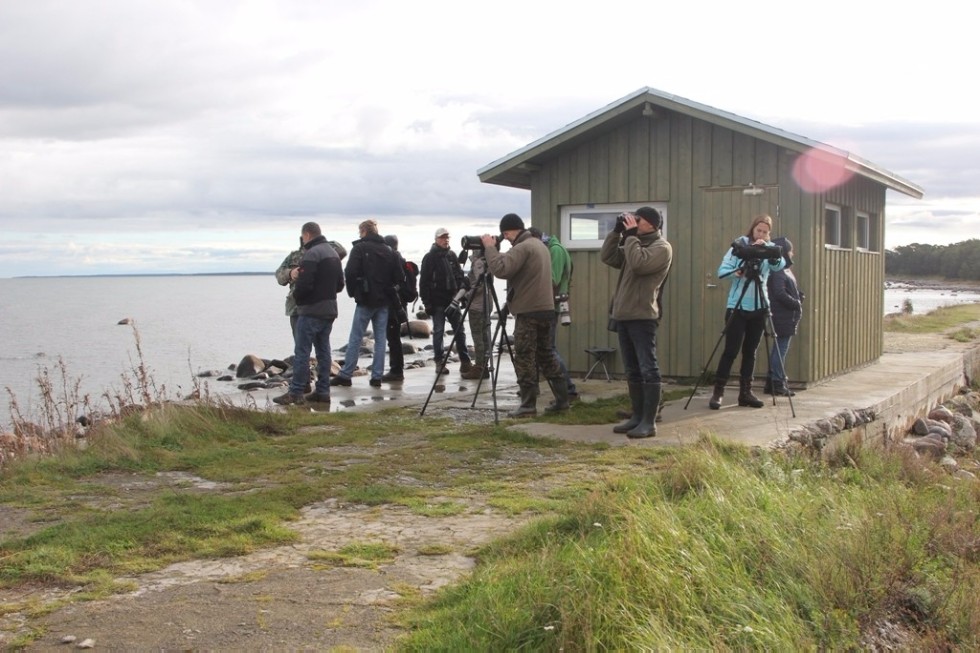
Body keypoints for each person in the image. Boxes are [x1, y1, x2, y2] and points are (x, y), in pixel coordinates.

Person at [482, 214, 569, 417]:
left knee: (524, 356)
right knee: (546, 354)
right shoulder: (539, 245)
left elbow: (501, 269)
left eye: (505, 234)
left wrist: (489, 248)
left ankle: (528, 405)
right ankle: (562, 400)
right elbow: (515, 266)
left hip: (529, 311)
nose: (506, 238)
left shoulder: (523, 247)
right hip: (547, 309)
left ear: (509, 230)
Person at [600, 207, 673, 438]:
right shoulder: (634, 244)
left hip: (643, 316)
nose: (634, 222)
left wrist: (630, 237)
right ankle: (637, 416)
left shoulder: (661, 248)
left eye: (637, 219)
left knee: (648, 368)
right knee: (632, 370)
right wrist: (617, 232)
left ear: (650, 223)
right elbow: (608, 257)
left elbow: (640, 265)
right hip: (624, 315)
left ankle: (649, 422)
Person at [708, 214, 787, 410]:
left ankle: (746, 393)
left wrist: (769, 250)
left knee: (750, 352)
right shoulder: (739, 246)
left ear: (769, 234)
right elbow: (721, 271)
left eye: (765, 232)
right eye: (758, 230)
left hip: (760, 306)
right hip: (738, 305)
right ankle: (718, 392)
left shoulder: (768, 249)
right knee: (730, 350)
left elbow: (780, 265)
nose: (760, 234)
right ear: (752, 229)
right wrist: (736, 272)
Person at [273, 222, 344, 406]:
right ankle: (322, 391)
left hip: (310, 310)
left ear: (306, 235)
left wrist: (299, 297)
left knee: (302, 351)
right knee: (323, 350)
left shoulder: (312, 254)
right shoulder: (332, 253)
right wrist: (291, 273)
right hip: (329, 309)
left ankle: (296, 391)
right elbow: (340, 285)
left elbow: (305, 285)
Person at [330, 220, 404, 388]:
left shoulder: (360, 248)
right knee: (380, 340)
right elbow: (399, 276)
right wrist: (389, 289)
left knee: (356, 337)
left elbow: (349, 271)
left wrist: (353, 291)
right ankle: (376, 376)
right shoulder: (389, 250)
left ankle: (346, 374)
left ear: (363, 231)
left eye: (359, 231)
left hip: (365, 300)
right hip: (384, 300)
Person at [528, 227, 578, 400]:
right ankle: (563, 390)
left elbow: (553, 280)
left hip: (552, 305)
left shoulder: (555, 250)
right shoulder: (555, 247)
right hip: (552, 304)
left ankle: (568, 390)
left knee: (550, 350)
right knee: (547, 349)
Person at [420, 227, 473, 375]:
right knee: (438, 332)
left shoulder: (452, 256)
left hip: (453, 300)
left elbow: (459, 276)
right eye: (442, 238)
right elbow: (423, 282)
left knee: (460, 331)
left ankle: (465, 361)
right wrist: (427, 303)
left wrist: (461, 296)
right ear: (436, 240)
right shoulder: (429, 258)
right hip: (436, 302)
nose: (445, 240)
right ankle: (439, 362)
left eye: (447, 238)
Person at [276, 238, 346, 340]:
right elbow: (279, 276)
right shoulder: (294, 256)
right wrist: (290, 273)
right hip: (297, 308)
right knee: (301, 345)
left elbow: (341, 250)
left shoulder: (325, 252)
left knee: (322, 345)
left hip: (320, 307)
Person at [764, 237, 804, 397]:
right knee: (780, 348)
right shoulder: (778, 270)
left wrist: (799, 296)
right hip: (782, 315)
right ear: (784, 252)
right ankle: (777, 382)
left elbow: (787, 289)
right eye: (790, 250)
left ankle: (772, 381)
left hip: (787, 315)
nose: (792, 253)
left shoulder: (785, 269)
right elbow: (779, 293)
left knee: (780, 348)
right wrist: (796, 303)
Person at [381, 234, 418, 382]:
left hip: (393, 306)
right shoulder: (402, 262)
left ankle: (396, 370)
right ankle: (396, 369)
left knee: (393, 338)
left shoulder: (392, 261)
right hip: (401, 305)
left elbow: (391, 286)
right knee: (394, 338)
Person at [460, 245, 492, 380]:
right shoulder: (488, 262)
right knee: (484, 336)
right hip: (486, 304)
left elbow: (479, 285)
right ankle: (484, 366)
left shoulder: (478, 263)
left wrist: (466, 295)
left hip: (477, 306)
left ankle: (479, 367)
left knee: (478, 337)